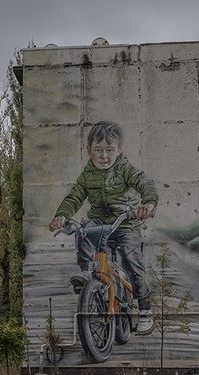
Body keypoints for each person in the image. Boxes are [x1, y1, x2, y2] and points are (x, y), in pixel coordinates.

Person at [48, 120, 159, 334]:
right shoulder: (86, 176)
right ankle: (86, 274)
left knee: (130, 258)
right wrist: (62, 215)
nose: (104, 156)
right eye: (98, 150)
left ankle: (144, 307)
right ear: (89, 150)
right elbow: (74, 197)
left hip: (125, 222)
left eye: (110, 150)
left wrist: (148, 203)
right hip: (99, 223)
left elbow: (144, 182)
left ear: (119, 150)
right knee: (83, 230)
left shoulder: (125, 169)